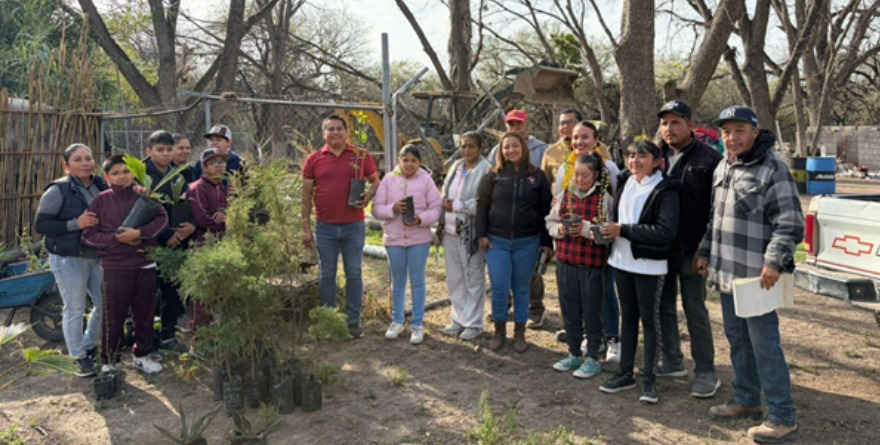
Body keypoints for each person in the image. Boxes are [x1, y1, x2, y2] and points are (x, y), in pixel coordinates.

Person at [696, 106, 803, 443]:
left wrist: (773, 261)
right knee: (738, 341)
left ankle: (782, 416)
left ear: (755, 132)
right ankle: (746, 400)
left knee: (765, 346)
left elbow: (789, 222)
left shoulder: (774, 170)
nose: (732, 137)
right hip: (727, 273)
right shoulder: (723, 166)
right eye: (727, 131)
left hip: (758, 277)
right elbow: (716, 218)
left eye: (740, 129)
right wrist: (704, 250)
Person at [598, 140, 679, 405]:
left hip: (649, 266)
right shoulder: (625, 181)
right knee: (628, 319)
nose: (634, 161)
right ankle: (625, 373)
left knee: (650, 320)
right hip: (621, 263)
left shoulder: (665, 190)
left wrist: (624, 230)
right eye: (631, 156)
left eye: (642, 156)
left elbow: (665, 232)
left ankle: (650, 379)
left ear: (656, 161)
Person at [655, 101, 724, 398]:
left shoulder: (709, 159)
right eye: (664, 123)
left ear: (689, 125)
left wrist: (705, 250)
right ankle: (672, 360)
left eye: (675, 123)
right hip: (660, 249)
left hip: (693, 250)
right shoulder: (653, 156)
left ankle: (706, 371)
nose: (669, 129)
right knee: (663, 306)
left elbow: (716, 210)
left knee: (694, 308)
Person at [81, 154, 168, 374]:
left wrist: (140, 233)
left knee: (145, 313)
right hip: (114, 267)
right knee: (113, 315)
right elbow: (88, 234)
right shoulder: (100, 201)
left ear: (135, 173)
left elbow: (162, 220)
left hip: (144, 264)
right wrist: (116, 238)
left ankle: (142, 355)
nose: (122, 177)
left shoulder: (145, 196)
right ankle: (110, 360)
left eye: (126, 171)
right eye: (116, 173)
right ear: (106, 177)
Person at [302, 114, 380, 339]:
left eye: (339, 129)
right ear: (323, 134)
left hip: (353, 226)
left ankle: (353, 322)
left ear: (347, 132)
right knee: (327, 274)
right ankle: (330, 321)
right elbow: (306, 195)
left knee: (354, 272)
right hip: (325, 227)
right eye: (330, 129)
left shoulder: (360, 156)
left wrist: (369, 195)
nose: (335, 133)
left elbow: (375, 180)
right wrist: (305, 227)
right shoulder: (314, 159)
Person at [34, 143, 108, 377]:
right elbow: (42, 225)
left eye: (88, 158)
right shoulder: (58, 190)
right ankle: (77, 357)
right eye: (78, 159)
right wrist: (75, 224)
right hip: (68, 258)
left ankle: (89, 346)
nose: (85, 163)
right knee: (75, 308)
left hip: (97, 255)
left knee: (105, 303)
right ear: (66, 166)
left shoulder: (100, 184)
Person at [476, 131, 552, 353]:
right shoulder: (492, 175)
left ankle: (520, 332)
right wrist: (481, 234)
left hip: (527, 242)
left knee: (521, 288)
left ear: (524, 148)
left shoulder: (537, 176)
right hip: (496, 241)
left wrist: (546, 241)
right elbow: (481, 206)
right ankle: (499, 330)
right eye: (506, 147)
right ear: (501, 151)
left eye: (515, 146)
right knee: (499, 286)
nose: (511, 150)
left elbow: (545, 210)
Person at [555, 121, 622, 364]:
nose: (580, 142)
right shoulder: (566, 168)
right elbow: (557, 206)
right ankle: (583, 341)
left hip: (598, 250)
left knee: (603, 295)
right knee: (575, 299)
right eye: (575, 138)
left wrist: (590, 229)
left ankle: (611, 337)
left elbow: (613, 206)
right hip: (569, 252)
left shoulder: (610, 168)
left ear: (596, 140)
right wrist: (560, 229)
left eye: (585, 137)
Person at [545, 154, 612, 379]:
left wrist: (585, 229)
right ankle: (573, 353)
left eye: (585, 175)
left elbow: (609, 233)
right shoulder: (565, 195)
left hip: (592, 265)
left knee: (592, 311)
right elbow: (550, 221)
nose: (580, 179)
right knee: (570, 309)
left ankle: (592, 356)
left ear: (596, 175)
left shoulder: (604, 199)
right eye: (577, 174)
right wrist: (559, 231)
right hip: (565, 263)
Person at [371, 146, 442, 345]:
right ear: (399, 161)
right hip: (394, 239)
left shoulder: (426, 180)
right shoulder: (388, 179)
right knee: (398, 280)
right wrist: (392, 209)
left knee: (417, 280)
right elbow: (376, 209)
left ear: (419, 163)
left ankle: (417, 324)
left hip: (418, 239)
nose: (409, 164)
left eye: (413, 160)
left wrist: (421, 219)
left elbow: (437, 208)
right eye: (405, 160)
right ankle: (397, 320)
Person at [487, 110, 549, 328]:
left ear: (527, 125)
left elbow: (544, 185)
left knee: (529, 273)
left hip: (528, 224)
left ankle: (534, 308)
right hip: (502, 229)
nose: (514, 128)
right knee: (501, 277)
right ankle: (503, 310)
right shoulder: (497, 150)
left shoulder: (541, 149)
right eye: (510, 124)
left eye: (518, 124)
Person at [145, 130, 197, 351]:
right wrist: (168, 235)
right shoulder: (141, 175)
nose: (165, 154)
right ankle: (146, 339)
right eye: (160, 150)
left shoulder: (178, 174)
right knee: (147, 294)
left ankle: (168, 335)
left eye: (168, 150)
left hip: (178, 243)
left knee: (172, 291)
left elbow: (190, 203)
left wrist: (191, 226)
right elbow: (144, 213)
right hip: (151, 244)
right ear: (149, 151)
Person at [438, 132, 491, 341]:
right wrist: (444, 199)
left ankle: (474, 322)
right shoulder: (456, 166)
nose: (466, 150)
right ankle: (458, 318)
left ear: (479, 149)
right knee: (455, 278)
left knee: (473, 277)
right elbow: (445, 189)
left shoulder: (485, 169)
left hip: (470, 233)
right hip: (450, 230)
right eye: (463, 146)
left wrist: (458, 205)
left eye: (470, 146)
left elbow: (484, 201)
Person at [189, 148, 230, 244]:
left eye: (222, 163)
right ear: (203, 167)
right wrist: (228, 224)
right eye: (214, 163)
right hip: (204, 243)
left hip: (225, 242)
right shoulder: (198, 188)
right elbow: (202, 219)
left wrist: (225, 215)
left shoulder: (225, 188)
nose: (219, 166)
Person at [541, 109, 582, 187]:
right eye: (562, 123)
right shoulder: (550, 153)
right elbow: (543, 185)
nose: (565, 126)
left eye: (571, 122)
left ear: (581, 125)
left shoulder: (595, 148)